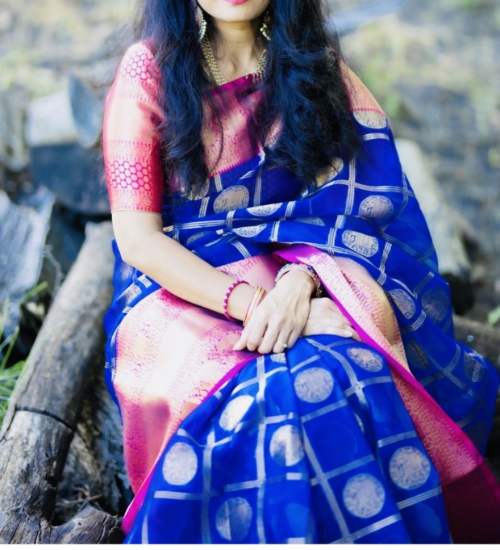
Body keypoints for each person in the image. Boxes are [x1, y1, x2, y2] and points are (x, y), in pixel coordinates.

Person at [102, 0, 500, 544]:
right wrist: (255, 306)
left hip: (306, 270)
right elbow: (139, 241)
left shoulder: (312, 64)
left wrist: (303, 283)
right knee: (264, 399)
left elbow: (363, 207)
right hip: (180, 291)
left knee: (351, 366)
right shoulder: (148, 70)